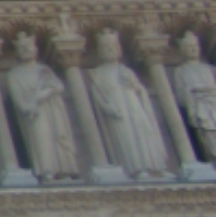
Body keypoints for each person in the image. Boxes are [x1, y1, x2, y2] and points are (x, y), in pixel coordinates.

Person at [88, 29, 170, 177]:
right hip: (117, 113)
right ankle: (135, 169)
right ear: (99, 51)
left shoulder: (126, 70)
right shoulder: (97, 73)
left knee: (144, 135)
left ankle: (154, 167)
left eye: (113, 45)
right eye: (106, 46)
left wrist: (136, 87)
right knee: (126, 139)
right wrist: (108, 108)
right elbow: (97, 96)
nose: (110, 49)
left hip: (134, 108)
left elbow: (140, 90)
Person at [6, 32, 78, 180]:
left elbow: (58, 86)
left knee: (58, 137)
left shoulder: (44, 70)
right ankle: (47, 171)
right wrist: (29, 105)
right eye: (22, 48)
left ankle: (64, 171)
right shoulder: (14, 75)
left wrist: (42, 95)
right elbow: (20, 102)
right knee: (42, 139)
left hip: (53, 111)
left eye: (28, 46)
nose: (26, 50)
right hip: (35, 115)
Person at [172, 32, 216, 161]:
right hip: (200, 107)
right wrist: (193, 94)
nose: (193, 49)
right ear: (183, 51)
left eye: (195, 46)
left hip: (213, 104)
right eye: (189, 47)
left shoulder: (210, 68)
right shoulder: (180, 71)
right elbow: (180, 96)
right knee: (208, 137)